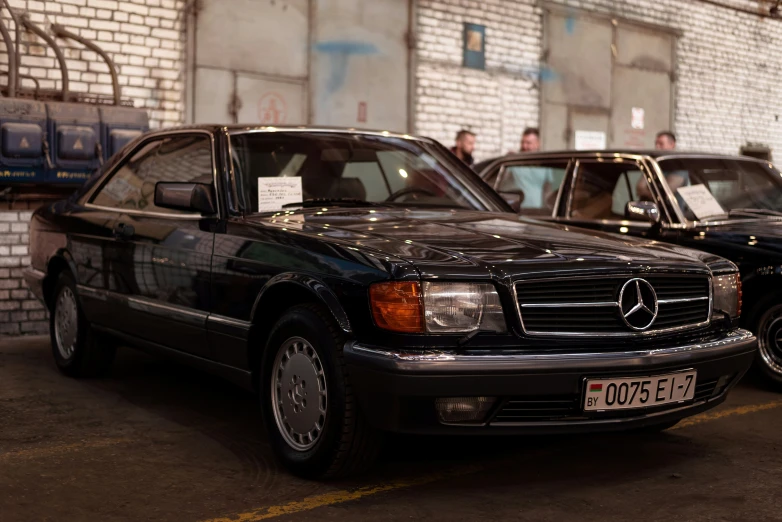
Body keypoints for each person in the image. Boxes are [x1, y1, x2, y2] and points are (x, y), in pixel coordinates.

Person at [507, 127, 555, 209]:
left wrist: (548, 209)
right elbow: (503, 181)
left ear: (537, 143)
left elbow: (548, 190)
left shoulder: (545, 164)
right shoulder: (514, 162)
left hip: (537, 212)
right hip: (516, 210)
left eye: (528, 143)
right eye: (522, 142)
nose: (524, 146)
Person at [637, 130, 689, 202]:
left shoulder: (679, 168)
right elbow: (639, 189)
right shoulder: (654, 164)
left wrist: (647, 193)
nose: (657, 147)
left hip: (671, 212)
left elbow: (665, 193)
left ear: (672, 145)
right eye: (656, 144)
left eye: (661, 144)